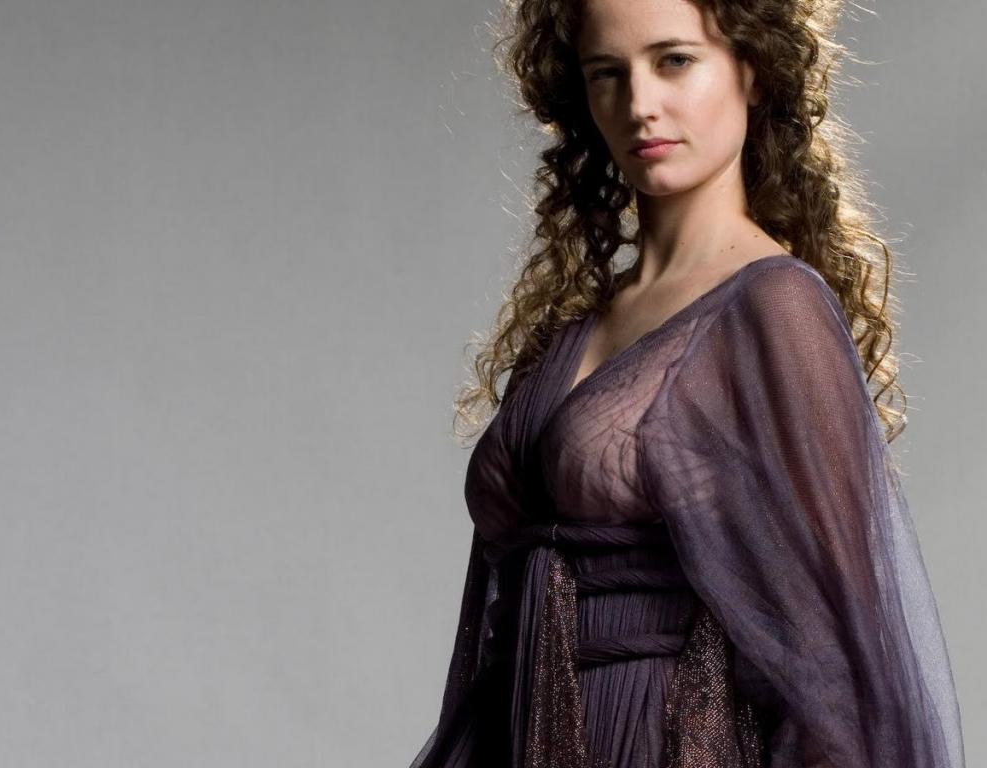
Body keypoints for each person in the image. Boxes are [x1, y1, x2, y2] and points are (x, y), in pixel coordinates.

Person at [408, 0, 966, 765]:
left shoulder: (773, 307)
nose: (639, 104)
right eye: (607, 73)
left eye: (674, 61)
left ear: (753, 69)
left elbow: (836, 666)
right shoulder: (574, 324)